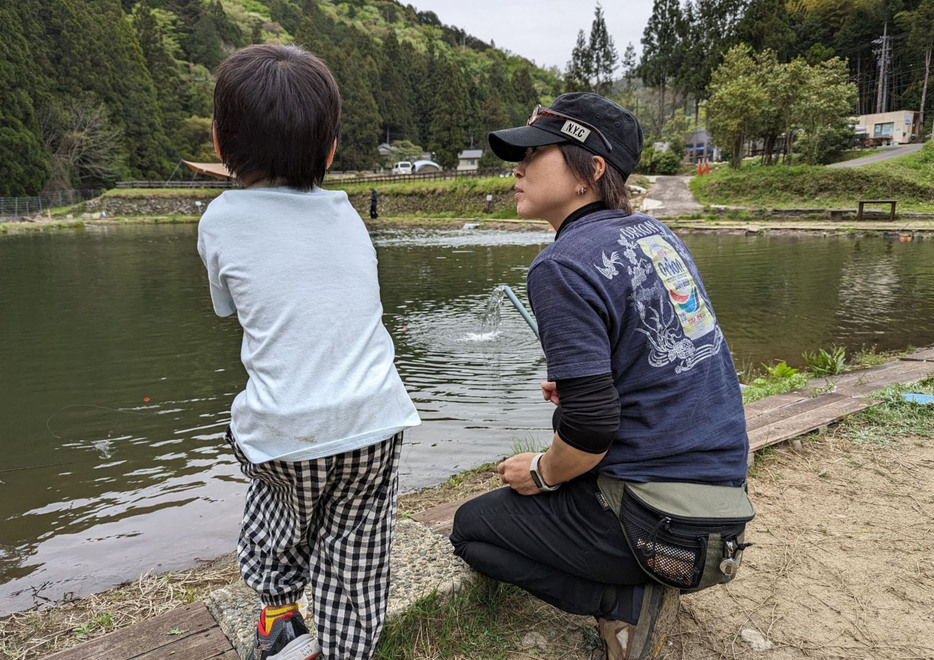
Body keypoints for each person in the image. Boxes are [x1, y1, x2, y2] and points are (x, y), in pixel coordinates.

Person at [449, 93, 751, 660]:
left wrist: (541, 471)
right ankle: (633, 578)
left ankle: (620, 600)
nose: (517, 168)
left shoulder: (561, 264)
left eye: (536, 153)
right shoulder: (659, 238)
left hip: (657, 529)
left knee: (470, 528)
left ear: (590, 170)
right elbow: (668, 360)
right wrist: (587, 385)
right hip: (723, 518)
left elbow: (589, 428)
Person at [197, 44, 421, 660]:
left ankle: (277, 618)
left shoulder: (219, 218)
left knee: (277, 503)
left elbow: (227, 307)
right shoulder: (347, 212)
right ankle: (348, 647)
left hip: (286, 435)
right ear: (329, 151)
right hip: (378, 420)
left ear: (219, 142)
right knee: (358, 550)